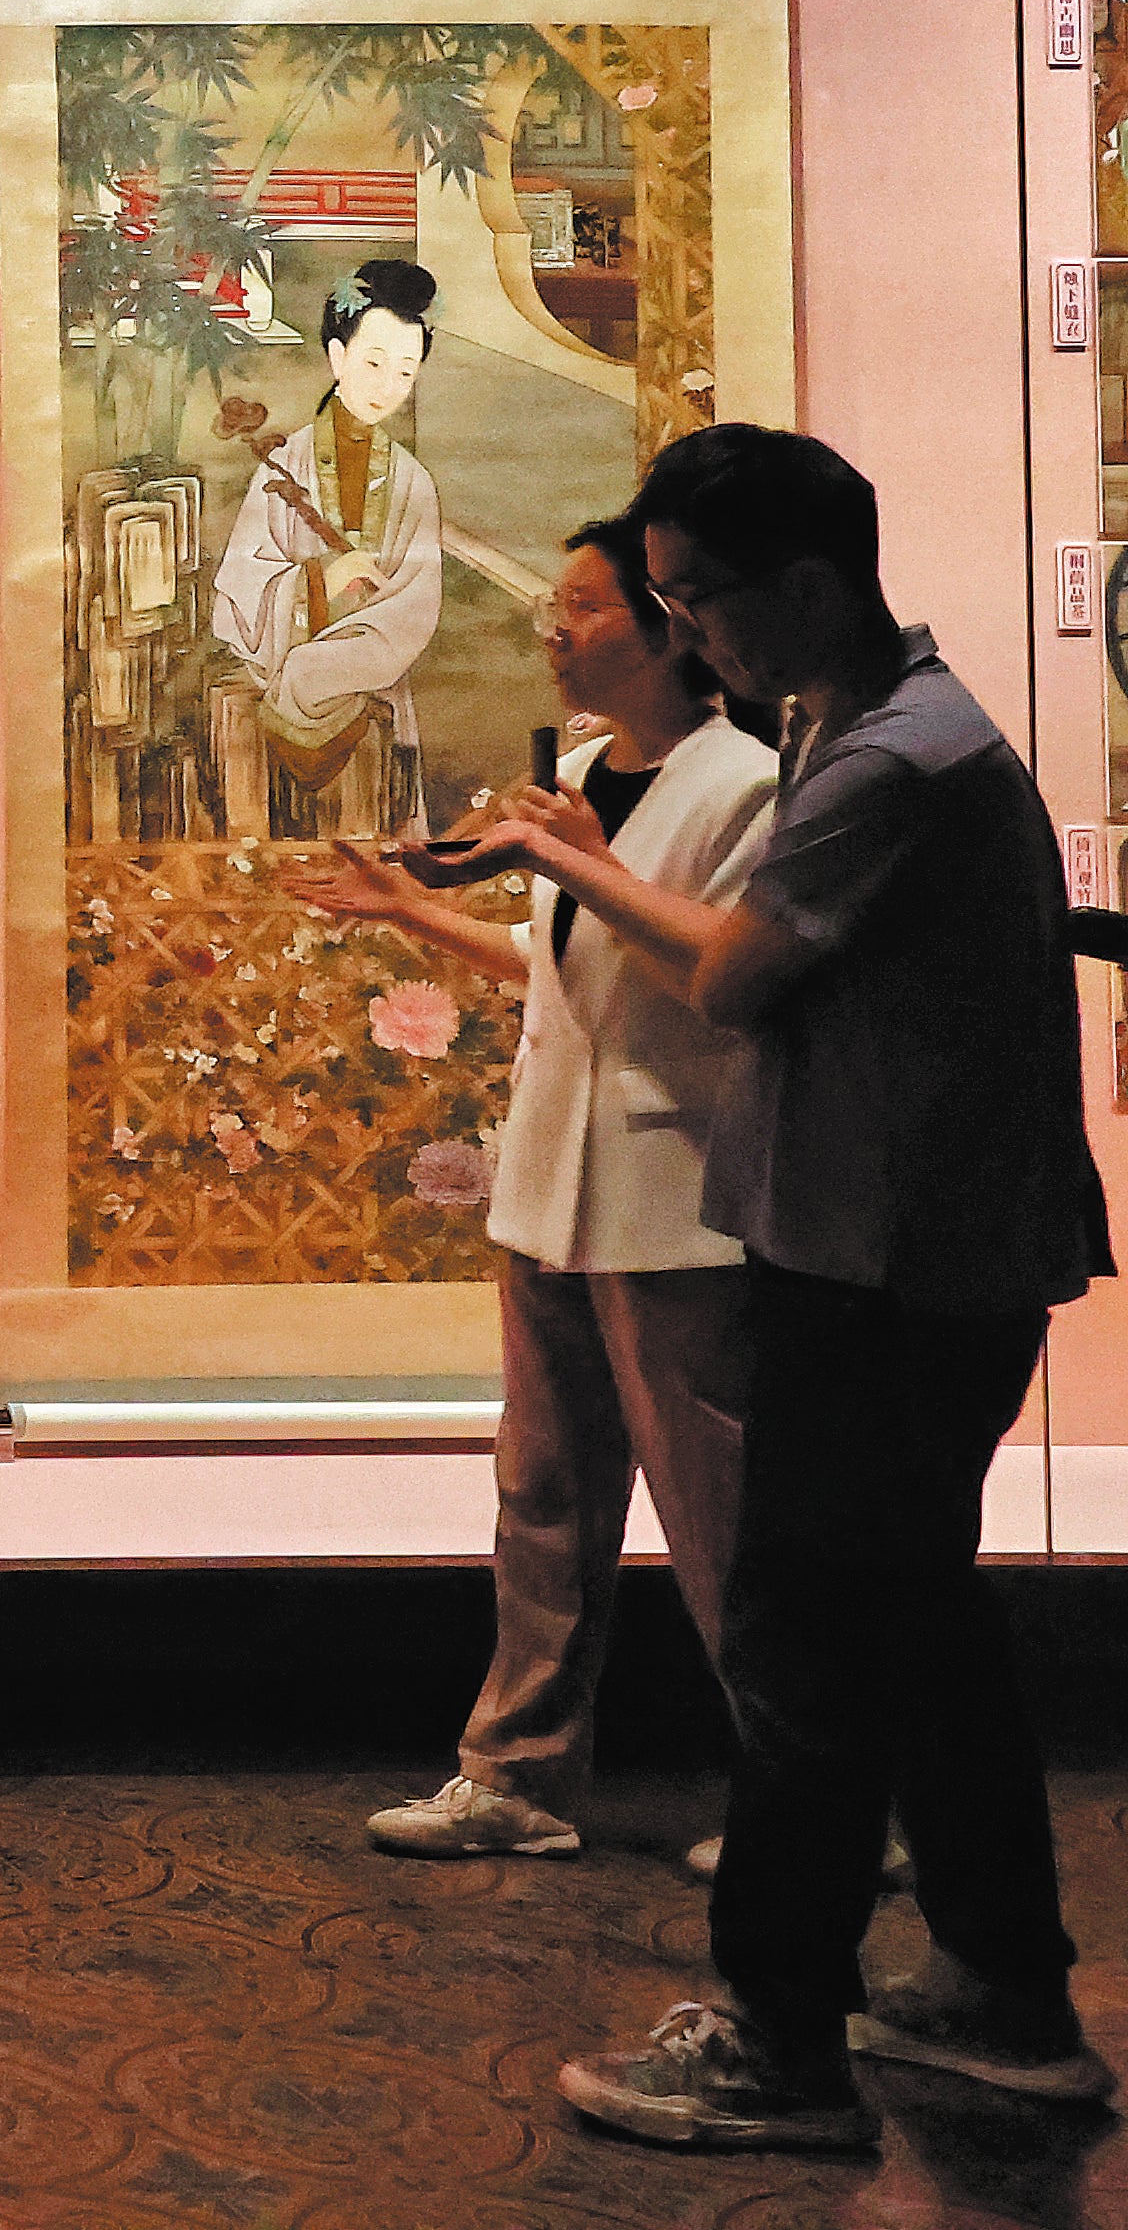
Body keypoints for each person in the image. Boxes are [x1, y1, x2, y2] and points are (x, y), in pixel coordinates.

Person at [517, 427, 1117, 2152]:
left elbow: (736, 974)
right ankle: (1007, 1993)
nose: (683, 630)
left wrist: (566, 858)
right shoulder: (863, 734)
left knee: (804, 1648)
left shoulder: (888, 764)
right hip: (894, 1250)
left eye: (696, 596)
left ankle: (781, 2028)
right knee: (919, 1632)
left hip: (885, 1267)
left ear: (804, 583)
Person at [293, 519, 775, 1863]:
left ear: (670, 628)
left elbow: (718, 981)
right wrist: (406, 913)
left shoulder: (742, 784)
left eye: (580, 605)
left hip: (676, 1205)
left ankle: (832, 1804)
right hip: (553, 1193)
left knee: (720, 1521)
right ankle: (516, 1777)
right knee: (544, 1502)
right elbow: (556, 960)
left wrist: (579, 867)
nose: (553, 629)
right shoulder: (575, 775)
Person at [209, 259, 447, 841]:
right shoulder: (284, 463)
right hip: (283, 661)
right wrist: (320, 580)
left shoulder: (413, 481)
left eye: (404, 373)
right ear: (337, 357)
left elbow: (417, 603)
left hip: (373, 669)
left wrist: (350, 649)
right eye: (372, 363)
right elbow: (243, 576)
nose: (385, 386)